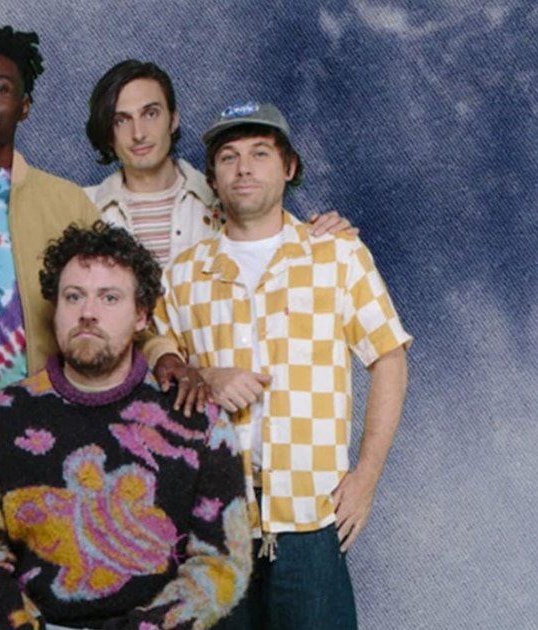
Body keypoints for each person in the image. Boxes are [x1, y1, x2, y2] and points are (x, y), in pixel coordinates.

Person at [0, 22, 202, 619]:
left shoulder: (67, 202)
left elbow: (120, 301)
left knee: (52, 604)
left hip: (45, 439)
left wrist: (164, 354)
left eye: (0, 87)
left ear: (24, 106)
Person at [154, 101, 412, 629]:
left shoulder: (337, 257)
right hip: (216, 522)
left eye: (260, 154)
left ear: (289, 166)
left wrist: (366, 477)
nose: (243, 168)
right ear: (213, 176)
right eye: (228, 157)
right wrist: (203, 377)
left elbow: (388, 356)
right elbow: (154, 358)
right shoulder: (183, 274)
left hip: (310, 515)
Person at [0, 222, 251, 630]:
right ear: (55, 308)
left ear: (142, 316)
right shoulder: (1, 418)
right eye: (73, 296)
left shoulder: (197, 419)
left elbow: (220, 563)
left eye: (109, 298)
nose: (88, 312)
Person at [83, 60, 352, 266]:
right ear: (107, 129)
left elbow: (280, 246)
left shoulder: (230, 195)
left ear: (173, 120)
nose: (138, 133)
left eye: (150, 113)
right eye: (121, 120)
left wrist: (324, 234)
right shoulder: (80, 207)